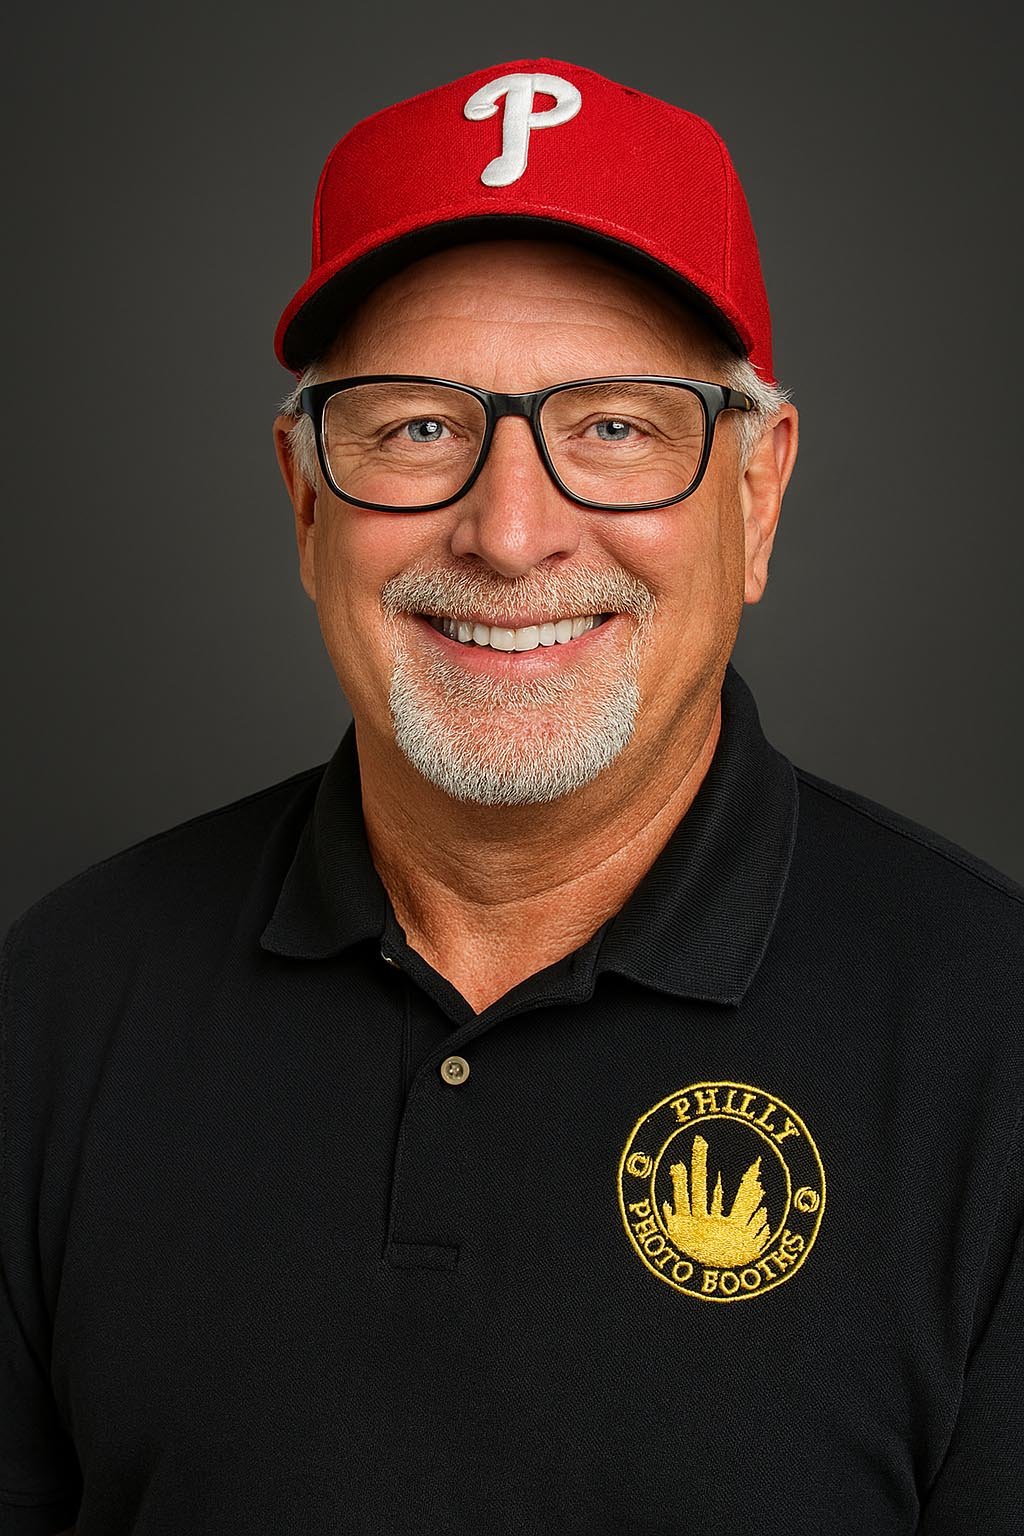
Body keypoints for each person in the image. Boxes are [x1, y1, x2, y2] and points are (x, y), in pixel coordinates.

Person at [2, 56, 1020, 1536]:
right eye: (416, 425)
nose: (509, 529)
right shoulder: (55, 1008)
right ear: (303, 498)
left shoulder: (992, 1043)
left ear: (757, 494)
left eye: (616, 424)